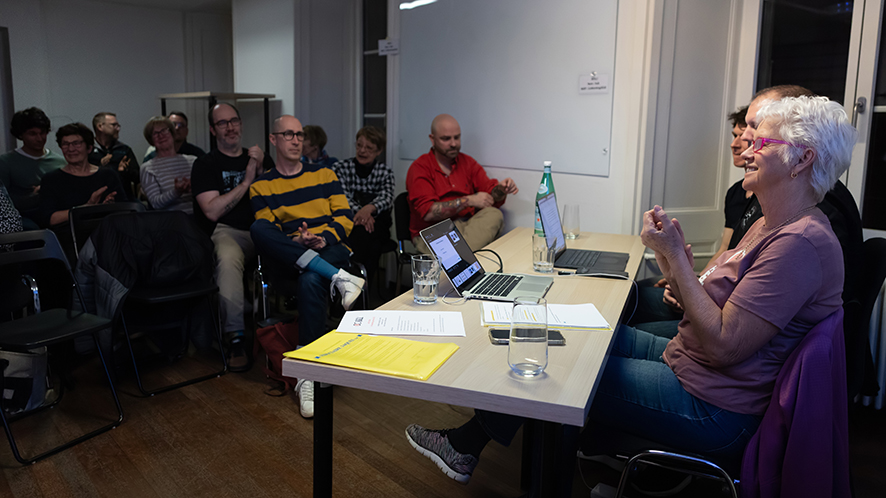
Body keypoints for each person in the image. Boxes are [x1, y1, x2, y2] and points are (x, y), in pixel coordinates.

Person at [405, 95, 854, 485]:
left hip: (714, 407)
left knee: (560, 373)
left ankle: (475, 447)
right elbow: (710, 310)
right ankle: (474, 444)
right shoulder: (771, 224)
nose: (748, 148)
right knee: (572, 338)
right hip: (694, 364)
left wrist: (676, 259)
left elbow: (724, 344)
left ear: (802, 159)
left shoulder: (799, 243)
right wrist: (670, 260)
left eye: (763, 142)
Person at [250, 115, 365, 419]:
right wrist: (298, 241)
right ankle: (340, 279)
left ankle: (306, 375)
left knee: (311, 279)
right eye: (288, 134)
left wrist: (322, 238)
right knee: (259, 229)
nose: (296, 140)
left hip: (330, 249)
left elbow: (344, 218)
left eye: (299, 134)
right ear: (273, 139)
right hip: (291, 257)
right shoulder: (261, 186)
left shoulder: (324, 174)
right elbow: (271, 233)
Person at [191, 103, 275, 371]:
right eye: (222, 123)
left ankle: (295, 331)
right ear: (212, 129)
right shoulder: (205, 164)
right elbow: (212, 211)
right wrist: (247, 181)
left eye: (234, 121)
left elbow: (276, 199)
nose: (230, 127)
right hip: (228, 231)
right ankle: (235, 337)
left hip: (264, 228)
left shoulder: (260, 158)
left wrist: (261, 171)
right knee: (227, 261)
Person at [406, 114, 518, 252]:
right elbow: (429, 213)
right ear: (432, 139)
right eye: (446, 139)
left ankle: (459, 257)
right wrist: (468, 200)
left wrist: (501, 189)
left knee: (493, 214)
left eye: (457, 137)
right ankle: (464, 257)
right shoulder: (420, 168)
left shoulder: (467, 163)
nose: (453, 144)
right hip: (434, 232)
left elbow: (491, 194)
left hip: (466, 227)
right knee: (477, 246)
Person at [332, 125, 394, 279]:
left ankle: (355, 285)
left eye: (369, 148)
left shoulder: (385, 171)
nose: (362, 151)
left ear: (379, 151)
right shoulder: (340, 168)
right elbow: (342, 197)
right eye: (359, 145)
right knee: (370, 243)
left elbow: (387, 198)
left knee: (371, 239)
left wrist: (369, 208)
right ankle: (362, 287)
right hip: (351, 221)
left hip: (377, 223)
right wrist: (363, 213)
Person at [0, 107, 66, 229]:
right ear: (21, 135)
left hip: (55, 215)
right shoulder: (6, 162)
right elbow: (4, 203)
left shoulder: (60, 161)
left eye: (42, 133)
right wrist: (34, 196)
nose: (39, 138)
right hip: (24, 218)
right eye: (32, 134)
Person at [139, 116, 195, 214]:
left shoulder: (193, 161)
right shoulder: (147, 168)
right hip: (170, 220)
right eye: (155, 133)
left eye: (164, 131)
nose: (161, 136)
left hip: (198, 217)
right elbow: (155, 203)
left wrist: (194, 187)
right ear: (151, 140)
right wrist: (176, 192)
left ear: (172, 134)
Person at [89, 112, 140, 199]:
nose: (118, 129)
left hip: (124, 199)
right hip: (97, 200)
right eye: (114, 125)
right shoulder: (88, 151)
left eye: (118, 126)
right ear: (100, 126)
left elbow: (137, 178)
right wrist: (100, 166)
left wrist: (125, 171)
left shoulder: (124, 149)